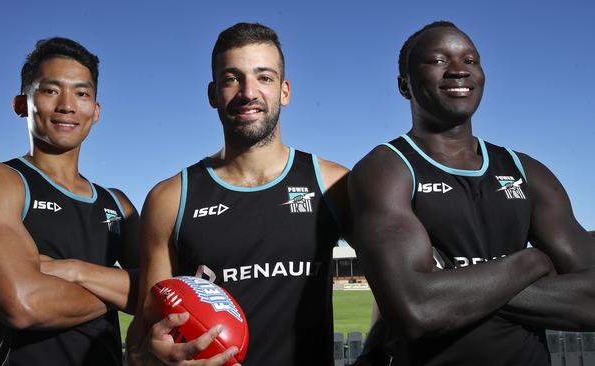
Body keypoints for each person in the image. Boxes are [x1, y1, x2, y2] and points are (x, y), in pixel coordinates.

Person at [349, 21, 595, 365]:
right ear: (405, 85)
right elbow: (416, 310)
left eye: (470, 60)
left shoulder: (526, 171)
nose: (458, 71)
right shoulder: (387, 170)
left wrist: (449, 288)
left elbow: (591, 301)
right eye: (437, 61)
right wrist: (530, 261)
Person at [126, 23, 349, 366]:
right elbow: (142, 336)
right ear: (213, 94)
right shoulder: (170, 198)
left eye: (264, 77)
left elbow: (396, 288)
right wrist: (151, 356)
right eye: (232, 78)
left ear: (284, 91)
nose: (248, 92)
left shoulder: (333, 184)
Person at [0, 37, 139, 366]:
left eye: (82, 93)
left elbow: (157, 290)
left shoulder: (118, 203)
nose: (67, 105)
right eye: (51, 90)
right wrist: (120, 292)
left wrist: (72, 270)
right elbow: (23, 305)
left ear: (95, 111)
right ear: (21, 104)